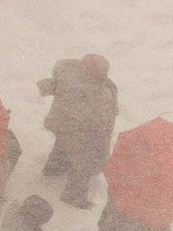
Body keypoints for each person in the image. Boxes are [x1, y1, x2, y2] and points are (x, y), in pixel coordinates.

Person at [39, 53, 118, 209]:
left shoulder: (67, 69)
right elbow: (101, 126)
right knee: (84, 165)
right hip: (82, 133)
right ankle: (73, 196)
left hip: (60, 123)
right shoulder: (99, 95)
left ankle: (53, 168)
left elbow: (56, 79)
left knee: (62, 145)